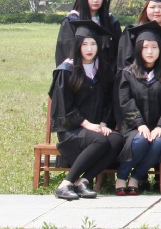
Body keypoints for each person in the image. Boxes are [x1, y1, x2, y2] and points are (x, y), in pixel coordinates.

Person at [49, 21, 123, 200]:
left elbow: (109, 102)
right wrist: (87, 124)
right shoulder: (66, 70)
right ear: (77, 46)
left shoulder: (102, 70)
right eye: (84, 44)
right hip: (71, 129)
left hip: (95, 128)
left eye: (93, 44)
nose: (89, 49)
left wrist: (104, 122)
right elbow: (63, 107)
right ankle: (65, 183)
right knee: (100, 140)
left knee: (116, 139)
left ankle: (83, 181)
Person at [115, 22, 161, 196]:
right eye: (145, 47)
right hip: (134, 127)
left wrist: (160, 126)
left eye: (154, 47)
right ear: (138, 49)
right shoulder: (128, 74)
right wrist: (140, 124)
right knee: (141, 140)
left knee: (158, 141)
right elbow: (125, 101)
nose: (150, 52)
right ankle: (122, 176)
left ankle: (135, 177)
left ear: (160, 49)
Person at [55, 0, 121, 77]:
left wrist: (110, 73)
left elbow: (119, 51)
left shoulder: (111, 23)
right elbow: (65, 52)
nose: (95, 0)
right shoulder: (71, 21)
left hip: (105, 79)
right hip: (77, 78)